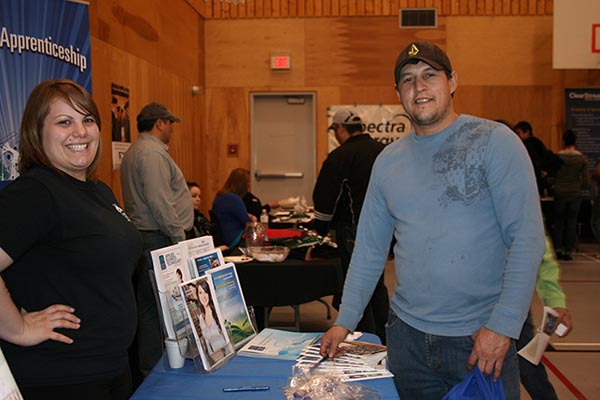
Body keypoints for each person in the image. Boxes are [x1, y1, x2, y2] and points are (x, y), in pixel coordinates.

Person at [319, 41, 545, 399]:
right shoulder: (388, 162)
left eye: (429, 75)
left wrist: (502, 326)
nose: (419, 87)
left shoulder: (494, 143)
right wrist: (344, 320)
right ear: (398, 93)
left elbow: (527, 239)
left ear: (452, 81)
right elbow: (369, 251)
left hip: (478, 341)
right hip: (407, 341)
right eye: (407, 79)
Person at [0, 79, 143, 399]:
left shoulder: (98, 191)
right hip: (62, 377)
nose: (80, 131)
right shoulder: (36, 192)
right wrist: (18, 329)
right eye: (64, 122)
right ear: (37, 133)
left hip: (110, 368)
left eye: (87, 119)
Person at [120, 102, 195, 381]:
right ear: (160, 123)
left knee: (151, 307)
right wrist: (179, 237)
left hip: (148, 237)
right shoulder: (151, 154)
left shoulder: (137, 150)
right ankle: (155, 371)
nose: (172, 129)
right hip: (158, 238)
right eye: (170, 123)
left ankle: (152, 368)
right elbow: (159, 200)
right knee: (158, 308)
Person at [313, 108, 389, 343]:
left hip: (353, 230)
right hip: (384, 228)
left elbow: (325, 197)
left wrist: (320, 231)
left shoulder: (340, 156)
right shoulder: (384, 152)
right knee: (377, 284)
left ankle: (364, 340)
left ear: (341, 129)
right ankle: (383, 338)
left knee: (356, 283)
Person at [517, 235, 573, 400]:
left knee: (528, 364)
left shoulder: (524, 210)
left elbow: (538, 244)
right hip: (454, 307)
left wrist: (555, 301)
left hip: (512, 305)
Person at [551, 129, 589, 260]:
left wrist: (554, 184)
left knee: (558, 222)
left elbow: (551, 176)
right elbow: (586, 181)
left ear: (563, 141)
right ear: (575, 141)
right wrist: (579, 187)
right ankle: (568, 251)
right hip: (574, 193)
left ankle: (557, 249)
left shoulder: (557, 157)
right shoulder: (581, 159)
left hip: (560, 192)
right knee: (572, 222)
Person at [514, 120, 563, 197]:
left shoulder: (527, 144)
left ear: (527, 132)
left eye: (518, 133)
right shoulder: (537, 142)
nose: (517, 136)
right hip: (541, 180)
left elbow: (534, 163)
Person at [211, 168, 256, 247]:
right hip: (234, 238)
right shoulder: (234, 199)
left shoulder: (219, 196)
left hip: (223, 237)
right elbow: (248, 223)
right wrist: (253, 218)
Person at [195, 279, 227, 355]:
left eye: (205, 292)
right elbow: (207, 343)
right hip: (215, 359)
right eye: (200, 293)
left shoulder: (217, 311)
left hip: (227, 354)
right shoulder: (201, 318)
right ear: (198, 296)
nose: (203, 296)